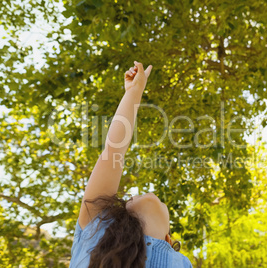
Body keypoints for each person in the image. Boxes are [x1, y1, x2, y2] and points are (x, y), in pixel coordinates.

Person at [69, 61, 193, 268]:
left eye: (129, 201)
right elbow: (113, 152)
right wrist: (135, 91)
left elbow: (113, 152)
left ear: (169, 240)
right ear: (168, 240)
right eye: (164, 203)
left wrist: (134, 93)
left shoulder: (97, 227)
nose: (145, 194)